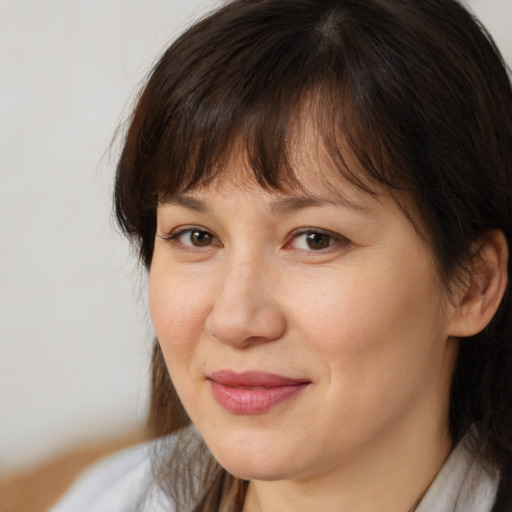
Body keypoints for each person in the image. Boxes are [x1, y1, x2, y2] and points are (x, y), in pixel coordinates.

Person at [51, 0, 512, 510]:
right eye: (197, 236)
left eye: (315, 238)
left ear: (474, 283)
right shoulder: (106, 499)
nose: (234, 320)